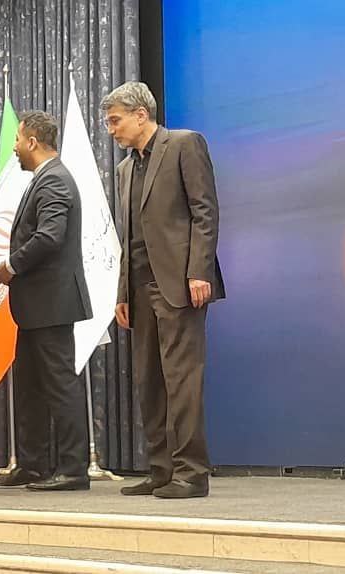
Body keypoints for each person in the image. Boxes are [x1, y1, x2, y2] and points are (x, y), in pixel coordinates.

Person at [103, 81, 225, 499]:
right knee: (149, 381)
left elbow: (204, 211)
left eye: (115, 121)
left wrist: (199, 271)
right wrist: (122, 293)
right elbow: (128, 236)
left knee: (181, 380)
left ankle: (192, 473)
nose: (111, 130)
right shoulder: (124, 169)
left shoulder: (184, 144)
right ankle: (161, 469)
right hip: (139, 288)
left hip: (179, 282)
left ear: (141, 115)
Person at [0, 111, 92, 491]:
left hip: (52, 304)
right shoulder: (44, 179)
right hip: (36, 306)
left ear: (32, 141)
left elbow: (49, 236)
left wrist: (9, 267)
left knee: (61, 385)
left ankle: (73, 470)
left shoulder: (55, 180)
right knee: (29, 387)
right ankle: (32, 464)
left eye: (18, 140)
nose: (14, 148)